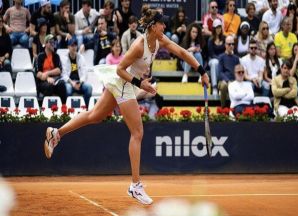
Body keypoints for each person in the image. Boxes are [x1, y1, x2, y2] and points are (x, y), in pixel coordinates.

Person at [43, 9, 209, 205]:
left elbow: (181, 52)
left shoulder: (161, 39)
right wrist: (141, 84)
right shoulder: (139, 46)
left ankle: (57, 133)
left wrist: (202, 72)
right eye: (161, 24)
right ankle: (135, 185)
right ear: (153, 26)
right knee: (137, 132)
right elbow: (121, 69)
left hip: (126, 82)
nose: (164, 26)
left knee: (95, 116)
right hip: (123, 81)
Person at [61, 37, 92, 106]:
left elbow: (84, 73)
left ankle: (85, 108)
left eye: (75, 45)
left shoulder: (81, 58)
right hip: (69, 82)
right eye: (72, 45)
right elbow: (64, 75)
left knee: (89, 88)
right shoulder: (64, 59)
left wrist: (80, 83)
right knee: (68, 89)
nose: (74, 47)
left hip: (79, 82)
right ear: (68, 47)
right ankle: (68, 109)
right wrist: (72, 83)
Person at [36, 34, 67, 104]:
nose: (53, 44)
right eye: (51, 42)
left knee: (62, 84)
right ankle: (44, 107)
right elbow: (38, 73)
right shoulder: (40, 56)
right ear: (46, 44)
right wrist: (47, 78)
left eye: (54, 42)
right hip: (43, 82)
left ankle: (64, 106)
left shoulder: (56, 56)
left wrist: (47, 73)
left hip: (55, 80)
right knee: (49, 86)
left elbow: (59, 70)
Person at [218, 35, 240, 107]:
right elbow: (220, 72)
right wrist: (227, 80)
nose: (231, 46)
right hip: (223, 81)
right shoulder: (221, 57)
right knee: (224, 86)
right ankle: (223, 108)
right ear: (225, 45)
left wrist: (234, 82)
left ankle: (235, 109)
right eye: (229, 44)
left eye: (232, 44)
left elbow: (238, 72)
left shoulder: (236, 58)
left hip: (234, 81)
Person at [207, 18, 226, 95]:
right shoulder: (210, 40)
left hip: (223, 59)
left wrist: (221, 59)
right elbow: (212, 54)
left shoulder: (225, 38)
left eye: (219, 27)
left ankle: (221, 87)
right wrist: (220, 59)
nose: (218, 29)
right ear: (214, 29)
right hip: (213, 59)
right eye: (217, 27)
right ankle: (214, 87)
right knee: (215, 63)